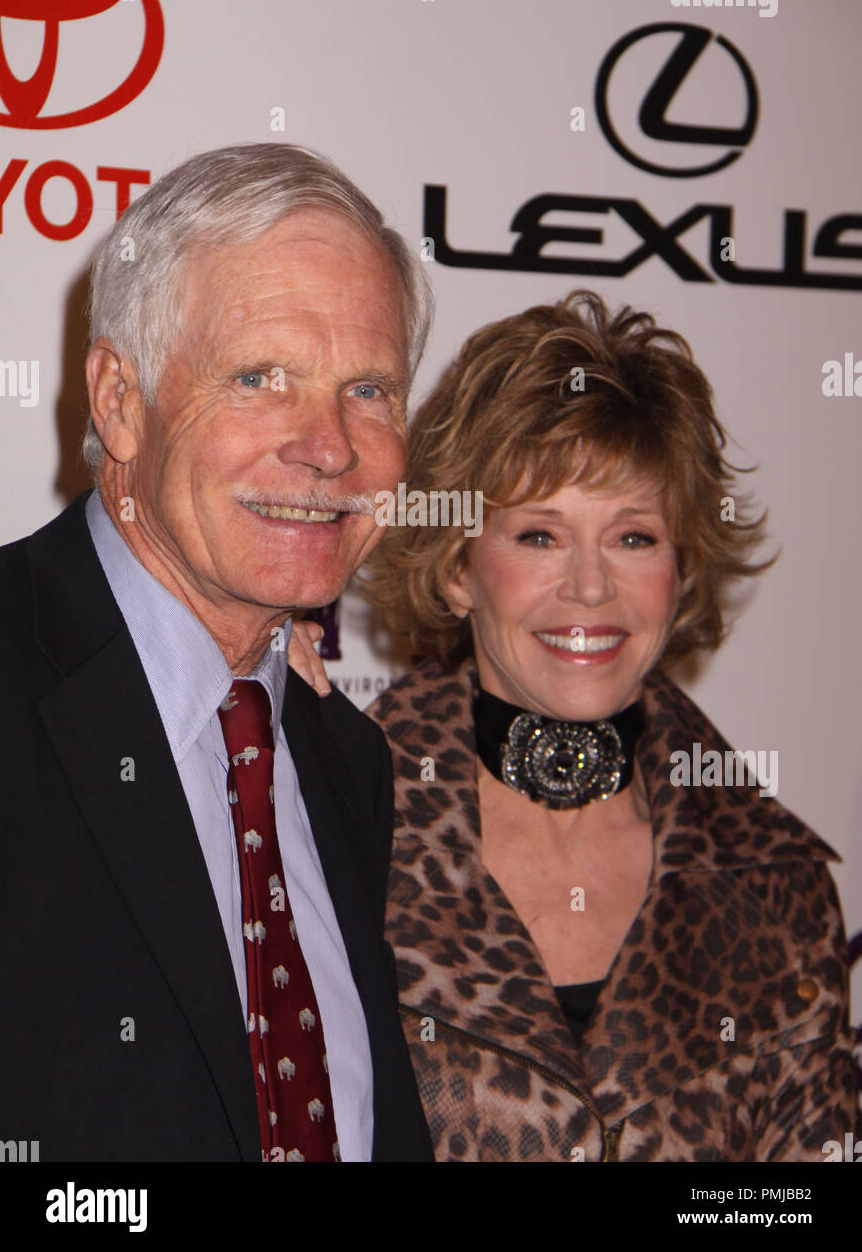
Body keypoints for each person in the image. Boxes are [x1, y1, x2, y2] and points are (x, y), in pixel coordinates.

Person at [0, 143, 435, 1162]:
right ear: (117, 399)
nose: (329, 445)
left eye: (369, 388)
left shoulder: (340, 757)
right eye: (259, 377)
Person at [360, 290, 858, 1162]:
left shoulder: (772, 880)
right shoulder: (330, 827)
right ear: (456, 571)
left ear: (682, 568)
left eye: (633, 538)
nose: (591, 589)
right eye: (540, 537)